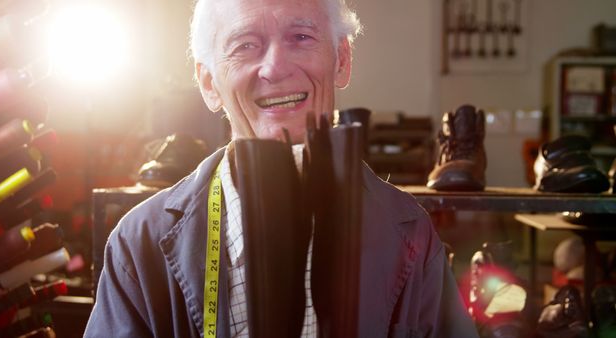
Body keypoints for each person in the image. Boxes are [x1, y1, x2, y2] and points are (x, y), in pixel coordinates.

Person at [83, 0, 479, 337]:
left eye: (301, 38)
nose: (275, 67)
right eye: (245, 45)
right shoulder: (138, 246)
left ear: (341, 59)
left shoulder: (412, 235)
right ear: (208, 83)